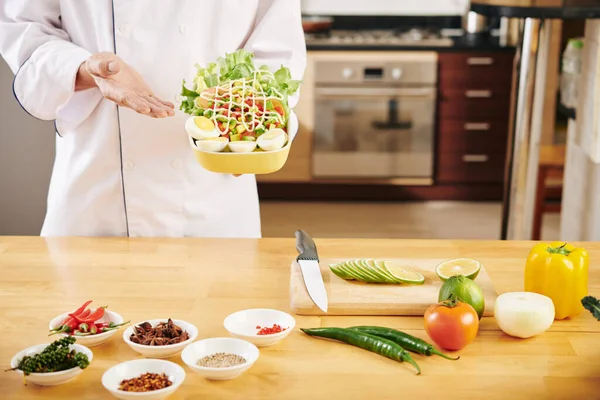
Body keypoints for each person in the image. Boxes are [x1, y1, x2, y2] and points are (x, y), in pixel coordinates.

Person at [0, 0, 306, 238]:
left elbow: (277, 49)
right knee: (90, 311)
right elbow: (25, 29)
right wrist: (83, 68)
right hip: (98, 193)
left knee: (217, 307)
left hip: (211, 192)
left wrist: (250, 130)